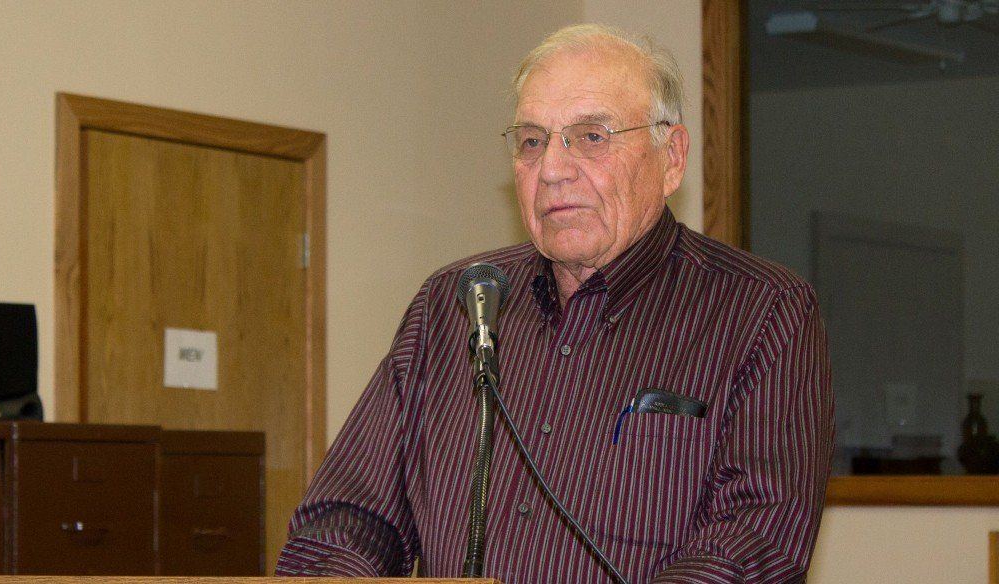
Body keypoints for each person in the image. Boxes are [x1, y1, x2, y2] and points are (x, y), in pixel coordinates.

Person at [276, 23, 833, 583]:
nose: (552, 170)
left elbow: (758, 539)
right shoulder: (453, 303)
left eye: (591, 137)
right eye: (532, 142)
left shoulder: (764, 311)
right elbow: (347, 517)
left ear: (672, 157)